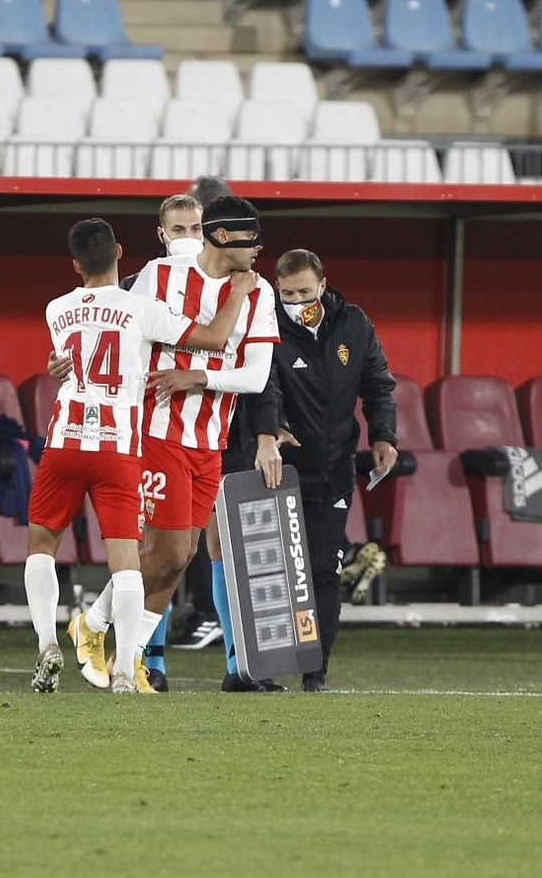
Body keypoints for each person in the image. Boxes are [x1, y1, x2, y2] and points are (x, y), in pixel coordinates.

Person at [25, 218, 254, 694]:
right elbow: (213, 340)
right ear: (120, 253)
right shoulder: (141, 308)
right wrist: (239, 291)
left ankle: (48, 643)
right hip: (118, 446)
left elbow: (66, 360)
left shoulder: (55, 309)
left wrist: (54, 366)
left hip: (66, 440)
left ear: (74, 264)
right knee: (126, 560)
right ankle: (126, 671)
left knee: (42, 545)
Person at [70, 195, 280, 693]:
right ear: (223, 237)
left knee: (181, 554)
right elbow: (119, 330)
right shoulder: (157, 278)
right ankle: (103, 633)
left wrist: (196, 378)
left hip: (212, 438)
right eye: (251, 239)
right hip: (156, 430)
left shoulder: (260, 291)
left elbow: (255, 377)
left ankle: (117, 645)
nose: (259, 249)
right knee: (164, 551)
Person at [260, 249, 398, 691]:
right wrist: (274, 427)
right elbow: (265, 385)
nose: (296, 300)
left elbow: (378, 385)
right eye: (287, 293)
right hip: (277, 472)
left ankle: (314, 672)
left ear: (322, 285)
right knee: (273, 574)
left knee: (323, 572)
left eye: (303, 291)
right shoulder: (267, 326)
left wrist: (383, 436)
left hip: (334, 470)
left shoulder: (353, 324)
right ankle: (257, 671)